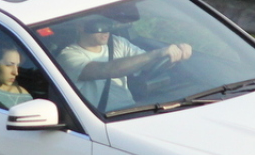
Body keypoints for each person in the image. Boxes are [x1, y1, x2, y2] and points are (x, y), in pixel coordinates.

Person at [58, 16, 191, 110]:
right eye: (100, 26)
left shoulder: (117, 42)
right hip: (99, 118)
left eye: (108, 25)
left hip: (130, 109)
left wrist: (174, 56)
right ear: (81, 27)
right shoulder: (69, 56)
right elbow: (106, 70)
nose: (106, 31)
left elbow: (147, 63)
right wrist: (156, 53)